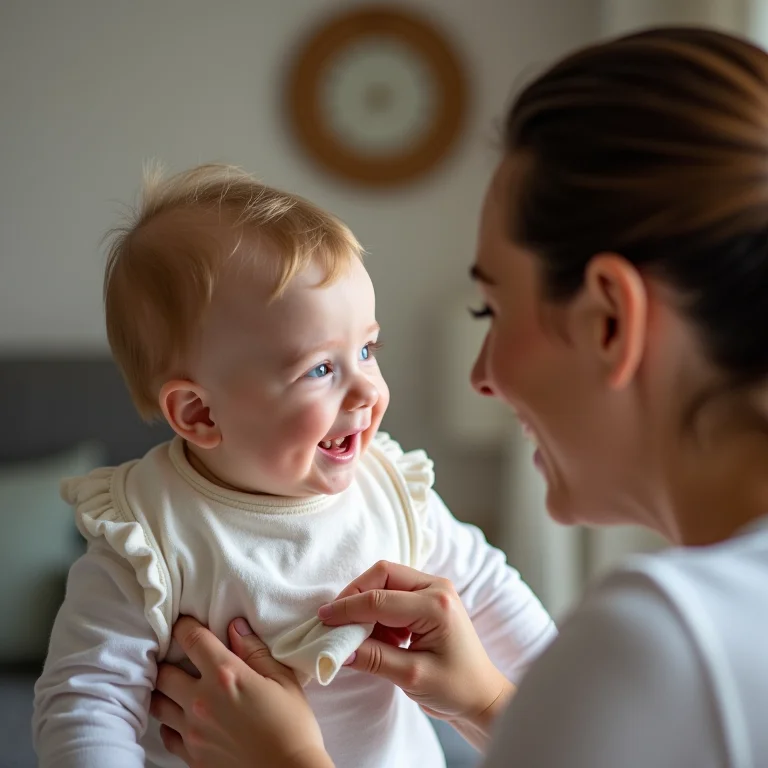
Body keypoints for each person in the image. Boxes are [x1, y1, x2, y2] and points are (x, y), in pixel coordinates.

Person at [148, 26, 768, 768]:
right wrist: (485, 702)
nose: (482, 374)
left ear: (610, 320)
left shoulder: (661, 639)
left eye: (492, 310)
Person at [32, 164, 556, 768]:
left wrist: (560, 689)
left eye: (366, 349)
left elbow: (489, 593)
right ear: (200, 412)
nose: (366, 390)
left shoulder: (389, 490)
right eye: (321, 370)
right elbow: (86, 706)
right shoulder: (149, 535)